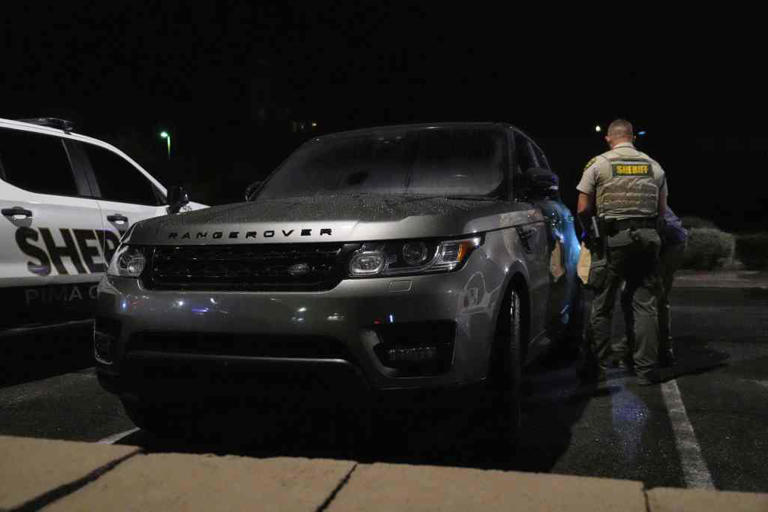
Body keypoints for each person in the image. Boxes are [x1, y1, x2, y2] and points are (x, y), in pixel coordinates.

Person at [576, 119, 667, 385]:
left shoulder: (598, 164)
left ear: (608, 138)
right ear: (632, 138)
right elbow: (661, 212)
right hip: (648, 239)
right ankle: (646, 369)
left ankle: (598, 368)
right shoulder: (654, 167)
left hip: (613, 240)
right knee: (645, 304)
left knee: (602, 304)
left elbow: (583, 209)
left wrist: (590, 236)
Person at [619, 208, 688, 368]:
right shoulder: (648, 184)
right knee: (658, 298)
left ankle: (637, 353)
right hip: (673, 238)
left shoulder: (621, 192)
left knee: (636, 298)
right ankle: (664, 351)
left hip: (664, 239)